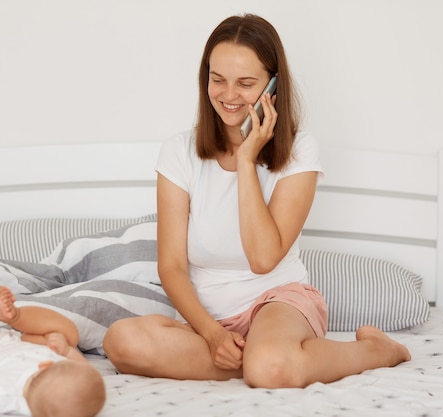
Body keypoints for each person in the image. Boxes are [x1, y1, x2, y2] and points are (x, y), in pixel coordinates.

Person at [102, 13, 411, 389]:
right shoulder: (178, 152)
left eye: (245, 83)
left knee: (268, 367)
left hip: (278, 302)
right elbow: (171, 266)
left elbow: (264, 259)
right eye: (218, 80)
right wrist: (214, 335)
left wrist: (247, 161)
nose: (229, 96)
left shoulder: (300, 151)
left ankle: (376, 351)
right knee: (121, 342)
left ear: (273, 84)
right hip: (208, 319)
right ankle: (266, 361)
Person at [0, 286, 105, 417]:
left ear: (45, 365)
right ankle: (15, 316)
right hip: (32, 342)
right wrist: (66, 349)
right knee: (69, 334)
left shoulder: (0, 392)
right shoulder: (54, 402)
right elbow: (82, 366)